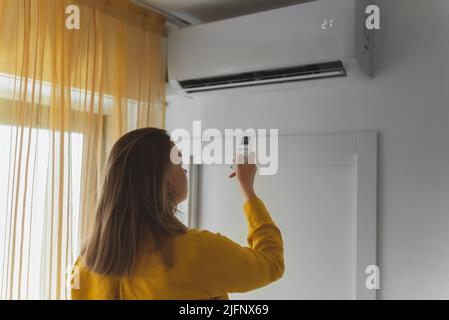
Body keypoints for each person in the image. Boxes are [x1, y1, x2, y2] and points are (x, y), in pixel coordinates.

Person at [70, 127, 284, 299]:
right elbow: (272, 263)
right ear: (165, 181)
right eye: (179, 161)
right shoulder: (197, 252)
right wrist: (247, 188)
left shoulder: (86, 263)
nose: (185, 169)